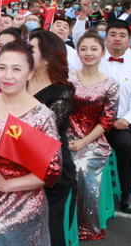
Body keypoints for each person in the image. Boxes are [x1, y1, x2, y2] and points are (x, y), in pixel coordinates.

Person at [0, 40, 62, 245]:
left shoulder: (41, 116)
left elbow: (50, 172)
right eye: (2, 68)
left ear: (30, 74)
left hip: (22, 197)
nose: (7, 76)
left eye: (16, 69)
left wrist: (7, 184)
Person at [67, 31, 119, 240]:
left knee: (80, 166)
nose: (89, 53)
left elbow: (106, 122)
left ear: (102, 52)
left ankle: (85, 224)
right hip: (65, 134)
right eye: (84, 49)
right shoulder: (67, 78)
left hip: (92, 140)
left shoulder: (110, 85)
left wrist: (82, 142)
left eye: (94, 49)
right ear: (78, 52)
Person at [27, 30, 77, 246]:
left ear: (47, 58)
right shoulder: (20, 82)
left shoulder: (61, 91)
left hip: (50, 170)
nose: (25, 53)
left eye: (31, 50)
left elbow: (44, 135)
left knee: (48, 229)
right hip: (18, 165)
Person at [99, 20, 131, 213]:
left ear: (130, 40)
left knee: (130, 139)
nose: (117, 39)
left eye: (122, 35)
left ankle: (126, 190)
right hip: (95, 120)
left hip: (121, 119)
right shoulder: (95, 58)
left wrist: (125, 119)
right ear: (106, 38)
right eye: (113, 34)